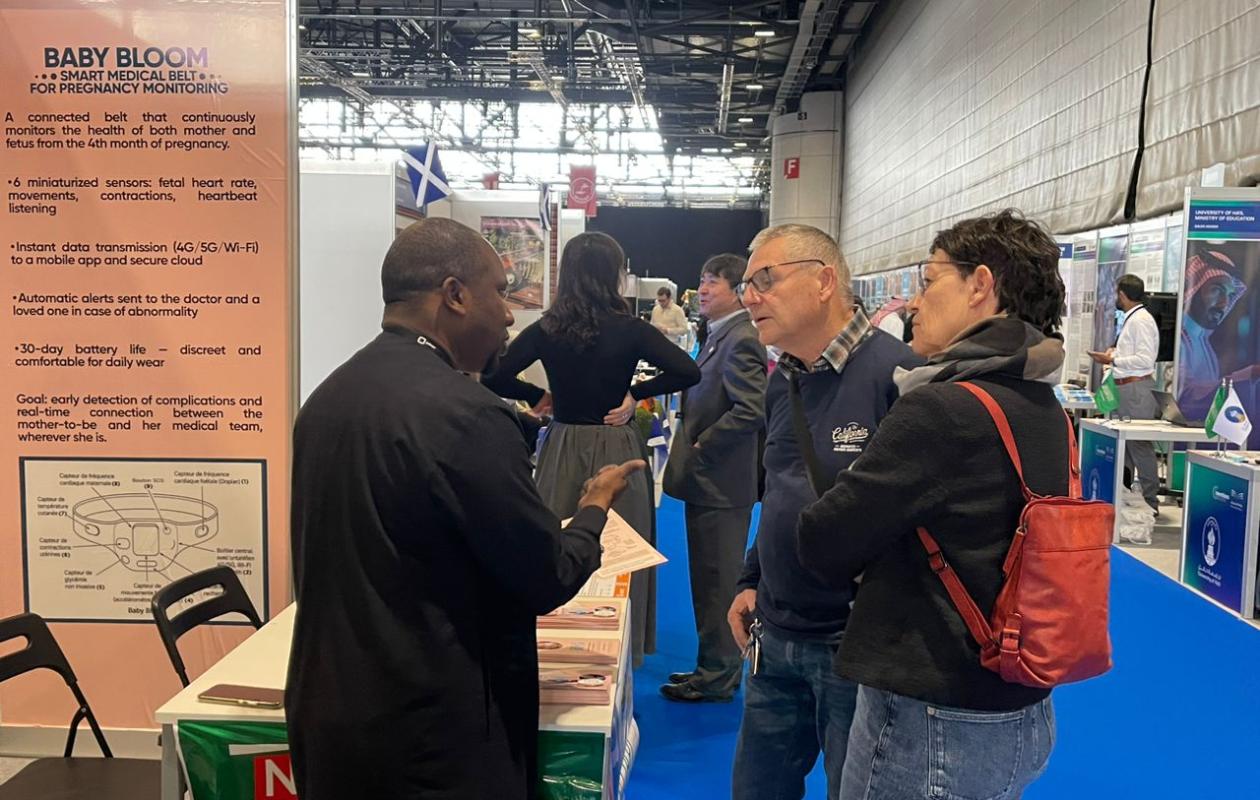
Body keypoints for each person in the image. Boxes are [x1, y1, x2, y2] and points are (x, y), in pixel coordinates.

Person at [286, 218, 645, 800]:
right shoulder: (468, 414)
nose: (509, 316)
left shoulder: (328, 397)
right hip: (433, 732)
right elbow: (546, 575)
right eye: (500, 293)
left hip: (331, 715)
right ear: (454, 295)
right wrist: (593, 509)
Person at [796, 209, 1067, 800]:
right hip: (1021, 702)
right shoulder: (1045, 407)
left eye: (928, 280)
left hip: (932, 715)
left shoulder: (940, 407)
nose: (914, 303)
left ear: (981, 285)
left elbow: (824, 540)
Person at [726, 224, 922, 799]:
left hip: (853, 647)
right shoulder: (783, 380)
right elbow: (780, 491)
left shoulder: (899, 377)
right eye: (746, 285)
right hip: (774, 634)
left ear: (824, 281)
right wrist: (750, 579)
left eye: (765, 279)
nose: (750, 297)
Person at [483, 232, 700, 665]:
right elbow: (687, 370)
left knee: (555, 546)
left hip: (561, 445)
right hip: (617, 447)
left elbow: (494, 375)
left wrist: (536, 396)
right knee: (621, 553)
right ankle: (619, 652)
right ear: (613, 274)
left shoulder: (546, 328)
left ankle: (555, 648)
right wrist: (637, 394)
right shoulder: (632, 329)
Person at [660, 253, 768, 703]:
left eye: (712, 283)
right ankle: (711, 667)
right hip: (708, 483)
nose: (702, 290)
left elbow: (750, 409)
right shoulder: (718, 335)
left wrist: (704, 444)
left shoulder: (741, 338)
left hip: (721, 482)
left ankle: (720, 676)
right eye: (702, 281)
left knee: (719, 583)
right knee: (707, 582)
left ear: (737, 291)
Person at [1088, 274, 1160, 511]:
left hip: (1136, 389)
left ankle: (1150, 501)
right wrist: (1114, 354)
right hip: (1125, 388)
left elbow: (1145, 359)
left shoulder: (1141, 320)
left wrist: (1113, 359)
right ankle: (1126, 495)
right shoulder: (1133, 319)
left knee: (1139, 445)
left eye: (1116, 294)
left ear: (1122, 294)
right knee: (1125, 446)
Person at [1177, 249, 1248, 420]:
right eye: (1217, 290)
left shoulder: (1203, 341)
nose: (1224, 303)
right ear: (1193, 289)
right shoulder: (1178, 340)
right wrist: (1246, 377)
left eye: (1229, 295)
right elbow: (1186, 396)